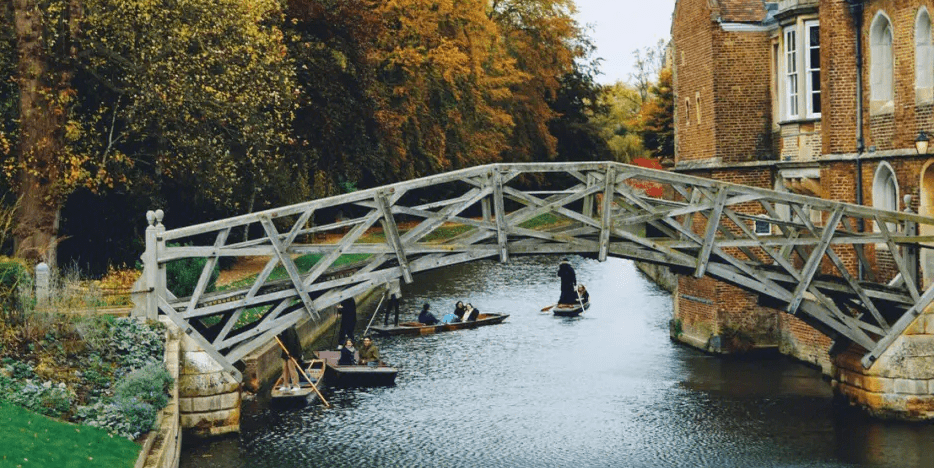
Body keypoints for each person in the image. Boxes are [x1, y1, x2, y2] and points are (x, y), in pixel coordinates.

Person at [277, 326, 303, 392]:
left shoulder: (289, 329)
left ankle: (296, 385)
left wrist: (290, 354)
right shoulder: (283, 329)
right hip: (286, 351)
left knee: (291, 368)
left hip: (293, 351)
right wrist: (277, 336)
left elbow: (292, 341)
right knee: (285, 368)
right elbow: (283, 339)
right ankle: (286, 385)